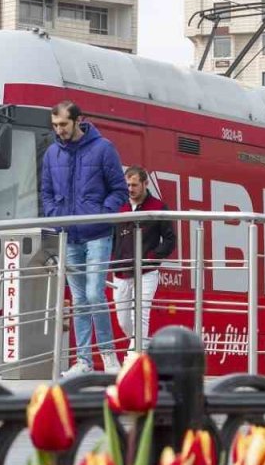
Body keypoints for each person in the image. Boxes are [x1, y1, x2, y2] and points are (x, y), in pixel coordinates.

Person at [40, 100, 128, 376]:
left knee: (93, 293)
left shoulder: (103, 148)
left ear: (78, 121)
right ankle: (84, 361)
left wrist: (103, 214)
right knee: (79, 299)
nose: (59, 130)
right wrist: (56, 215)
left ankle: (108, 355)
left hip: (98, 234)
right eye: (55, 125)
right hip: (69, 234)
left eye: (63, 124)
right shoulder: (52, 153)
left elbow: (119, 190)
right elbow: (45, 192)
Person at [111, 166, 176, 357]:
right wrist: (113, 260)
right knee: (123, 320)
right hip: (121, 272)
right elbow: (115, 237)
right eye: (128, 185)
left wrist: (152, 259)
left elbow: (170, 239)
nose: (130, 189)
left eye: (134, 185)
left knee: (140, 315)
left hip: (146, 272)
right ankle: (143, 350)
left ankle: (134, 357)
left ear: (145, 184)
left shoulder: (158, 207)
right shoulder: (121, 208)